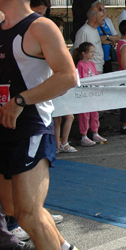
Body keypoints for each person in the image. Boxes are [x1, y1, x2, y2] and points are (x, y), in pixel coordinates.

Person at [0, 0, 83, 250]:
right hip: (3, 127)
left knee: (28, 213)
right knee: (11, 207)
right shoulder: (0, 29)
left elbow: (67, 76)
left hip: (31, 126)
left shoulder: (39, 27)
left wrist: (20, 101)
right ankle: (63, 247)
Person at [50, 16, 76, 153]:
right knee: (57, 118)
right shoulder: (50, 45)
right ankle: (58, 144)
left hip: (61, 86)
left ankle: (62, 142)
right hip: (54, 86)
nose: (61, 31)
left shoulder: (59, 44)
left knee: (66, 116)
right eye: (60, 28)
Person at [73, 42, 106, 147]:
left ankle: (95, 132)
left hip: (93, 94)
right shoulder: (80, 65)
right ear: (83, 53)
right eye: (91, 52)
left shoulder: (91, 64)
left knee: (94, 114)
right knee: (84, 115)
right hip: (85, 95)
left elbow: (95, 77)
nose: (93, 54)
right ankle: (84, 135)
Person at [73, 6, 104, 74]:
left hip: (98, 68)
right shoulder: (84, 31)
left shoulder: (95, 29)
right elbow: (77, 52)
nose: (104, 18)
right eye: (101, 16)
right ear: (94, 18)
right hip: (89, 72)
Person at [95, 1, 119, 74]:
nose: (103, 12)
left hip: (108, 57)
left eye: (104, 9)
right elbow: (99, 40)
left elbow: (117, 37)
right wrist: (111, 40)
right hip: (98, 58)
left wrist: (107, 37)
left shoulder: (108, 21)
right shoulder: (92, 23)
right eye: (101, 10)